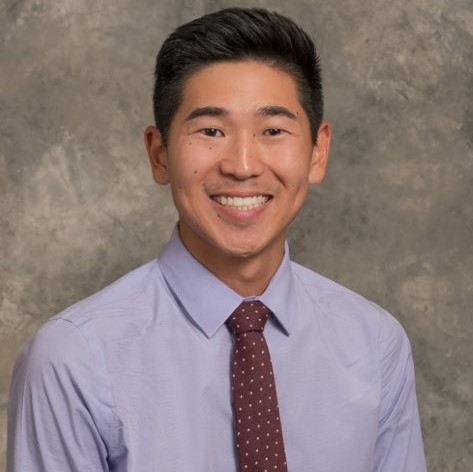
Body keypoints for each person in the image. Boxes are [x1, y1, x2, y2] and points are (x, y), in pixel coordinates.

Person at [7, 7, 427, 472]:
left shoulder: (375, 344)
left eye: (273, 130)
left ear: (317, 151)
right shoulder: (74, 360)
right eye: (211, 130)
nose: (242, 164)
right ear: (159, 154)